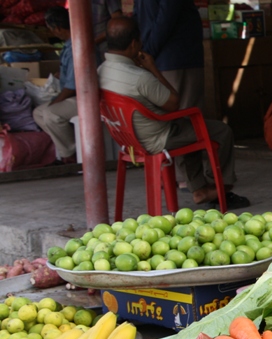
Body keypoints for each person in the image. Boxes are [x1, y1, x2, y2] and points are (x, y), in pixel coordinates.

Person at [98, 16, 249, 209]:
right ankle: (219, 187)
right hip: (156, 138)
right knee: (220, 131)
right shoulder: (140, 77)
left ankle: (199, 189)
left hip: (127, 140)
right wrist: (153, 68)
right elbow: (173, 103)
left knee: (190, 130)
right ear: (135, 43)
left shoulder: (101, 71)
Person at [135, 0, 204, 111]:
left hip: (175, 57)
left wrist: (146, 52)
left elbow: (166, 18)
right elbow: (138, 16)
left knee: (184, 115)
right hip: (156, 57)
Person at [33, 7, 79, 164]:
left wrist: (56, 102)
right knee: (38, 113)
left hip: (85, 97)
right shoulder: (68, 45)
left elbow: (72, 87)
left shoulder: (74, 46)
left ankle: (70, 155)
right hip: (73, 96)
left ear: (58, 28)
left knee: (51, 113)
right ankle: (69, 146)